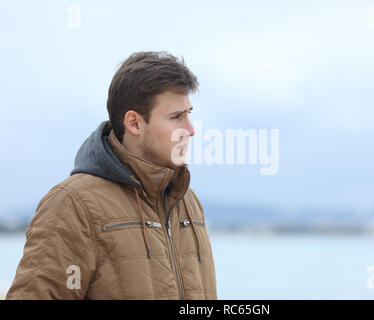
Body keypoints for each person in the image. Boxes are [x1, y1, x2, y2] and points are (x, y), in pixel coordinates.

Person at [6, 51, 217, 300]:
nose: (190, 130)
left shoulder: (187, 201)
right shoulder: (73, 204)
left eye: (189, 114)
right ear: (135, 123)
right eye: (176, 117)